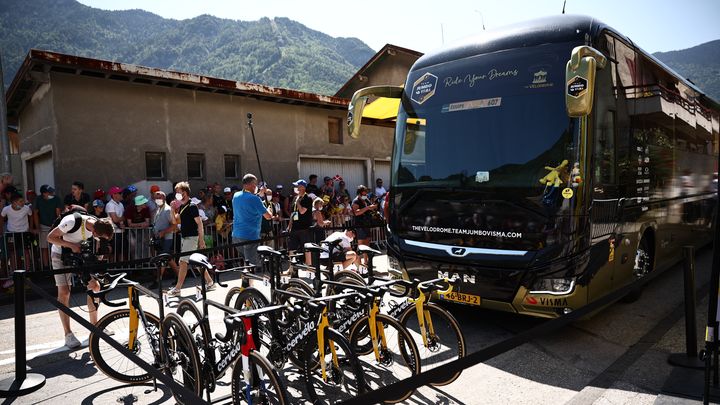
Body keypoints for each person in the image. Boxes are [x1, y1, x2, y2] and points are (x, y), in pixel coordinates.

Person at [47, 213, 114, 348]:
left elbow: (96, 242)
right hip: (60, 255)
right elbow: (50, 237)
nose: (99, 239)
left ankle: (95, 327)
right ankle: (68, 334)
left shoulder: (96, 223)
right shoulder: (72, 222)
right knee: (64, 292)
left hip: (78, 254)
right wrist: (70, 245)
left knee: (95, 286)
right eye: (99, 237)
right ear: (94, 231)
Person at [167, 182, 214, 297]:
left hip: (191, 238)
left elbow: (200, 224)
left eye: (179, 192)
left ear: (185, 193)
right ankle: (210, 282)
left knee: (183, 262)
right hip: (185, 238)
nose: (177, 194)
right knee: (196, 262)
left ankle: (178, 288)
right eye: (176, 192)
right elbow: (175, 221)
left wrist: (201, 240)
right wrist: (172, 210)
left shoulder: (192, 205)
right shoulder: (182, 206)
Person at [232, 174, 273, 267]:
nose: (256, 187)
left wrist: (259, 195)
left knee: (246, 263)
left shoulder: (236, 195)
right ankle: (249, 281)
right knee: (251, 265)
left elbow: (248, 199)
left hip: (236, 236)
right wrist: (269, 209)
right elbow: (268, 216)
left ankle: (246, 280)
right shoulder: (255, 199)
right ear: (251, 184)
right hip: (250, 236)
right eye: (255, 184)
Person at [150, 190, 178, 289]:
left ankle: (157, 280)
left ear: (164, 198)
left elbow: (174, 226)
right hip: (159, 238)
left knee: (162, 259)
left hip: (166, 239)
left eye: (159, 197)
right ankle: (179, 275)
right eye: (156, 198)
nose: (157, 199)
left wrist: (163, 232)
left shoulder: (167, 210)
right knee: (168, 258)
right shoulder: (158, 209)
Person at [1, 193, 33, 270]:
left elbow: (31, 216)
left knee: (26, 251)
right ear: (14, 202)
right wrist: (1, 229)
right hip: (11, 233)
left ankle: (28, 270)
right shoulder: (6, 209)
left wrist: (31, 228)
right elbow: (1, 217)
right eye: (21, 201)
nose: (23, 202)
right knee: (12, 252)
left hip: (24, 232)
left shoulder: (26, 208)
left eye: (23, 201)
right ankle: (14, 271)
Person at [33, 185, 63, 268]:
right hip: (43, 226)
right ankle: (46, 267)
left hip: (55, 226)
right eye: (49, 192)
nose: (52, 193)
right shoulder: (38, 200)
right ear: (44, 193)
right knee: (44, 247)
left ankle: (56, 266)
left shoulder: (56, 199)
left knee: (56, 246)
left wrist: (59, 226)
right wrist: (37, 227)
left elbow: (58, 213)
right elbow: (35, 213)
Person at [288, 179, 314, 264]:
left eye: (297, 186)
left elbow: (302, 211)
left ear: (302, 187)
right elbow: (293, 213)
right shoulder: (295, 198)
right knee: (292, 248)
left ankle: (309, 266)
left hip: (304, 228)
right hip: (294, 228)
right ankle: (292, 267)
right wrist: (289, 225)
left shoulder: (308, 198)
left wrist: (298, 203)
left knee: (306, 248)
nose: (296, 188)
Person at [104, 186, 125, 261]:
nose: (121, 194)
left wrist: (121, 219)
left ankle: (119, 269)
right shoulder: (110, 205)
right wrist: (122, 218)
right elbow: (115, 219)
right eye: (120, 193)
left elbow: (120, 218)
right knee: (113, 252)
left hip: (121, 231)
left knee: (121, 251)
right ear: (114, 195)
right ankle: (112, 268)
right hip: (113, 232)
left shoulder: (121, 204)